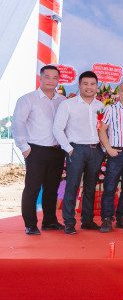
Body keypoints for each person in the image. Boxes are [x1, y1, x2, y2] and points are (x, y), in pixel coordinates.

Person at [13, 64, 66, 235]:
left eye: (55, 77)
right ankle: (30, 224)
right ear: (40, 77)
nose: (51, 80)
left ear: (58, 80)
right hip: (35, 151)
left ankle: (50, 221)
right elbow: (18, 123)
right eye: (47, 77)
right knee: (32, 188)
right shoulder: (27, 99)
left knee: (52, 187)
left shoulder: (62, 101)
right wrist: (24, 147)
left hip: (57, 151)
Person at [53, 70, 105, 234]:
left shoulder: (100, 106)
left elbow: (103, 130)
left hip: (95, 150)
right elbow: (57, 129)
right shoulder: (68, 104)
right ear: (79, 85)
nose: (89, 87)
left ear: (97, 86)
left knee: (90, 187)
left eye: (92, 84)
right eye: (85, 84)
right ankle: (69, 222)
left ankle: (87, 221)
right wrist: (69, 149)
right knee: (72, 186)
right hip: (76, 150)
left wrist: (103, 149)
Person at [97, 80, 123, 232]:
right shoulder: (110, 109)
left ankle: (122, 217)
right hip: (116, 153)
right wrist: (108, 148)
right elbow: (101, 129)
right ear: (119, 93)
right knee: (110, 187)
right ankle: (107, 219)